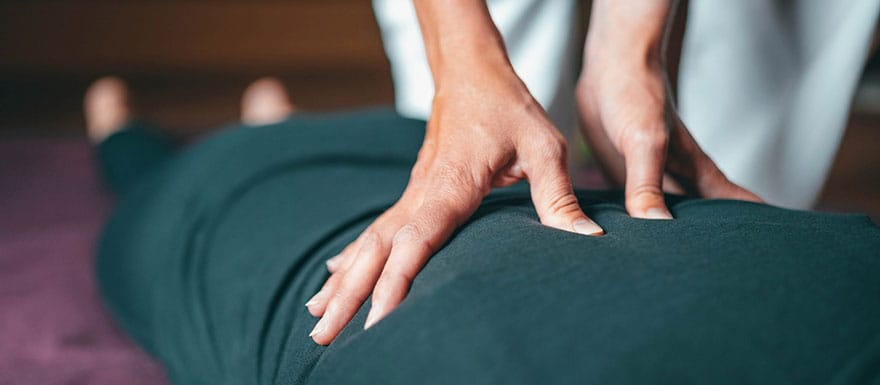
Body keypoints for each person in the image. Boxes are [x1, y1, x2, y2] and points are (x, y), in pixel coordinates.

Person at [90, 77, 880, 385]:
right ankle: (277, 118)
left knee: (162, 189)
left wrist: (629, 51)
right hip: (427, 164)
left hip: (234, 215)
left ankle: (156, 132)